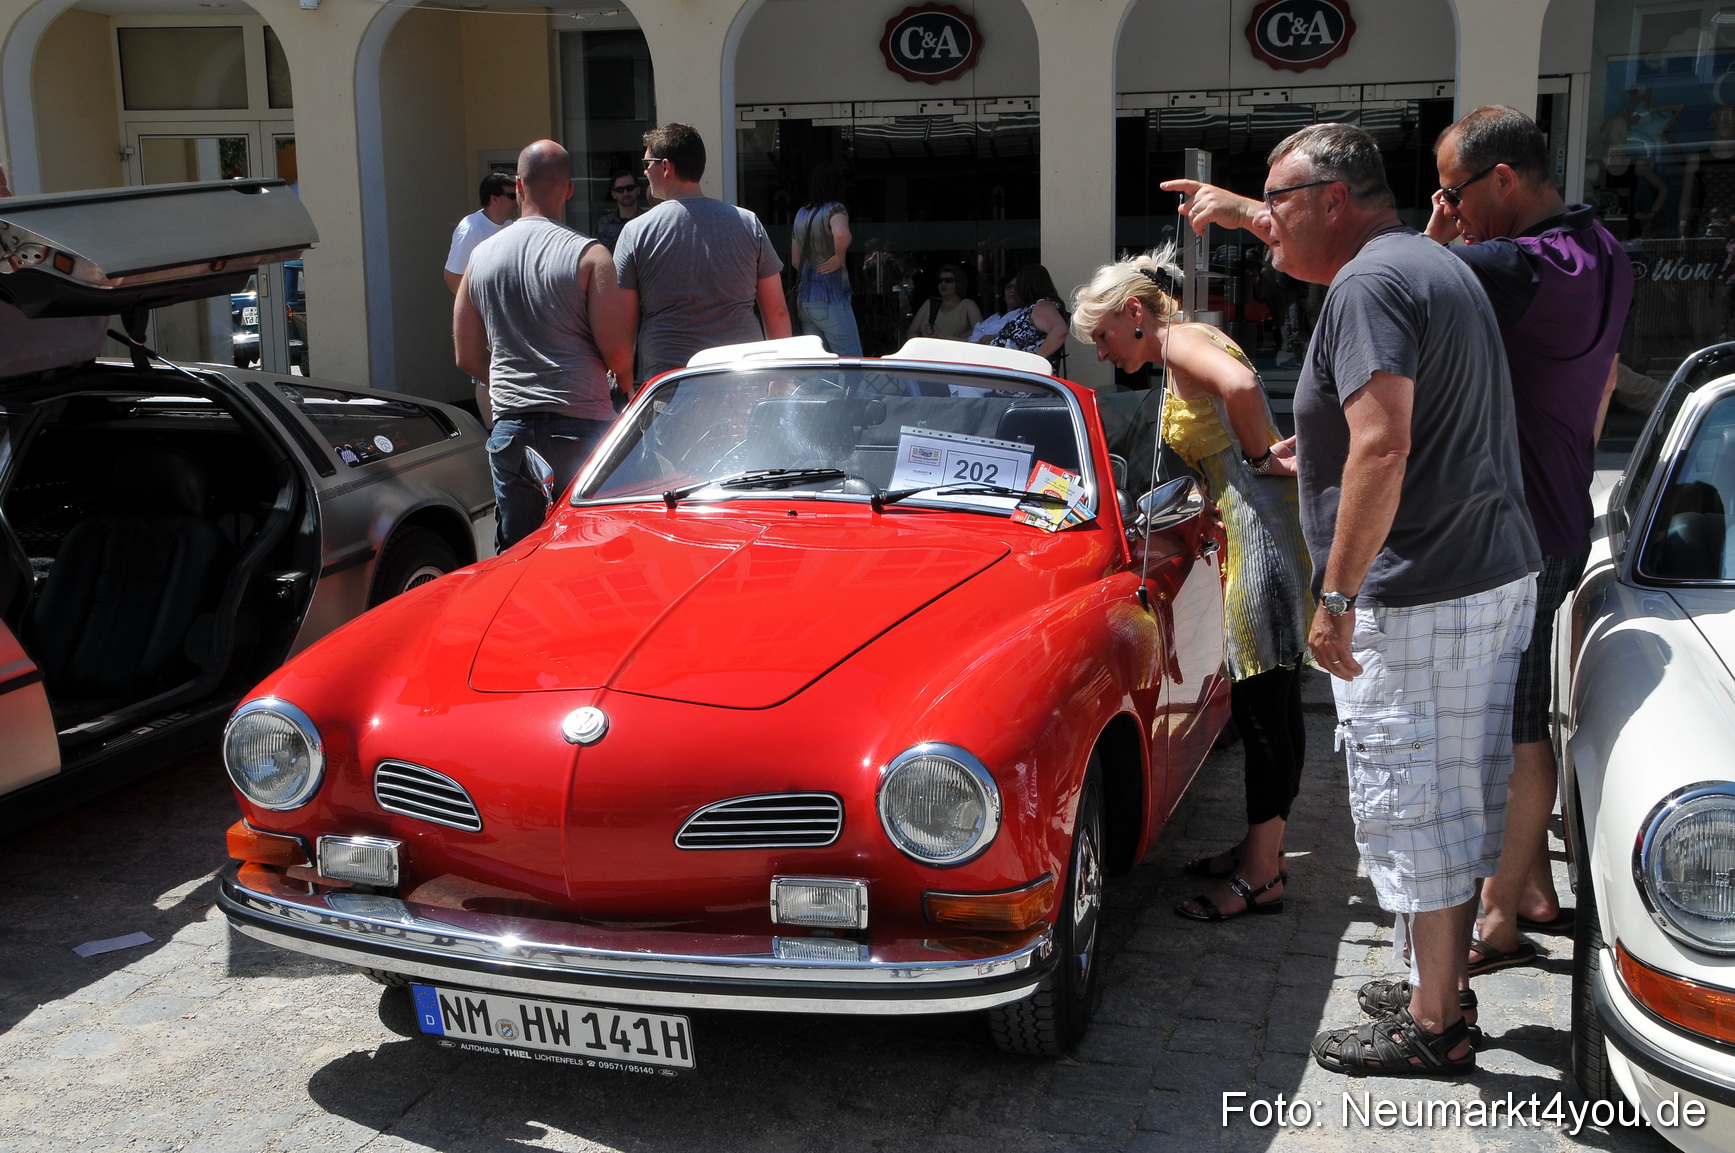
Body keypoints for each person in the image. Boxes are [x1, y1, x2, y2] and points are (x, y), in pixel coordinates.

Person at [1186, 123, 1539, 1075]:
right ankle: (1441, 984)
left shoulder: (1368, 285)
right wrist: (1325, 462)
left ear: (1331, 199)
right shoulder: (1418, 261)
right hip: (1477, 569)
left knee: (1410, 800)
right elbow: (1390, 437)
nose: (1267, 225)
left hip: (1421, 586)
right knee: (1453, 794)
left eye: (1276, 203)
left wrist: (1334, 594)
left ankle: (1433, 1024)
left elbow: (1385, 446)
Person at [1423, 106, 1634, 975]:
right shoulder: (1606, 252)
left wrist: (1436, 249)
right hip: (1555, 507)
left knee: (1512, 735)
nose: (1449, 208)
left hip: (1514, 532)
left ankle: (1499, 917)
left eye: (1452, 191)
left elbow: (1393, 282)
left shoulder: (1516, 265)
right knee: (1522, 719)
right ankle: (1534, 885)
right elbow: (1605, 381)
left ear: (1501, 178)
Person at [1072, 248, 1314, 924]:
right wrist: (1228, 480)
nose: (1099, 350)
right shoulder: (1192, 336)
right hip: (1259, 521)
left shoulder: (1179, 343)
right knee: (1276, 696)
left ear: (1134, 314)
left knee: (1262, 703)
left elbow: (1237, 388)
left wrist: (1258, 462)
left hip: (1258, 529)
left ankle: (1262, 874)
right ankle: (1260, 847)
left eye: (1102, 336)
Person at [453, 140, 634, 551]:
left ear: (518, 186)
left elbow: (466, 355)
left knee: (518, 558)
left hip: (513, 427)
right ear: (569, 189)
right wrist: (626, 384)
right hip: (583, 423)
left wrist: (510, 377)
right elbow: (619, 353)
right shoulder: (590, 256)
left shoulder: (480, 257)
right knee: (587, 550)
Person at [613, 123, 791, 384]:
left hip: (670, 383)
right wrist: (781, 379)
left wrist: (625, 381)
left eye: (647, 162)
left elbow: (624, 324)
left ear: (665, 166)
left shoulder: (636, 232)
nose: (644, 171)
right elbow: (776, 311)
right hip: (741, 378)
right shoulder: (748, 223)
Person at [790, 163, 862, 355]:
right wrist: (839, 256)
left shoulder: (801, 213)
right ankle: (852, 387)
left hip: (805, 300)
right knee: (851, 360)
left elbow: (796, 261)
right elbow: (841, 234)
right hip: (831, 297)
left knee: (816, 363)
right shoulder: (835, 209)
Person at [444, 171, 518, 294]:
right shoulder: (470, 229)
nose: (517, 202)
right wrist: (474, 309)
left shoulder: (508, 224)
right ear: (493, 199)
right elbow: (452, 276)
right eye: (512, 196)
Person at [986, 264, 1069, 369]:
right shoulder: (1034, 307)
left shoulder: (1042, 306)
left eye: (1018, 286)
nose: (1016, 290)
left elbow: (1060, 330)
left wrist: (1035, 360)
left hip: (1020, 374)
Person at [906, 264, 983, 343]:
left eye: (948, 280)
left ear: (958, 283)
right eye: (940, 280)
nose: (943, 283)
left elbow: (981, 335)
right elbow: (912, 331)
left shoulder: (968, 305)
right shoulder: (929, 304)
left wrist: (960, 336)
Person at [594, 169, 643, 251]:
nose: (625, 193)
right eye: (620, 190)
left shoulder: (647, 222)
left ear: (638, 190)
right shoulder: (603, 224)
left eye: (630, 188)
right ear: (613, 194)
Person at [970, 275, 1021, 343]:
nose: (1012, 290)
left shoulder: (1024, 316)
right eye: (1009, 286)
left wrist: (998, 338)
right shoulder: (995, 317)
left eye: (1017, 287)